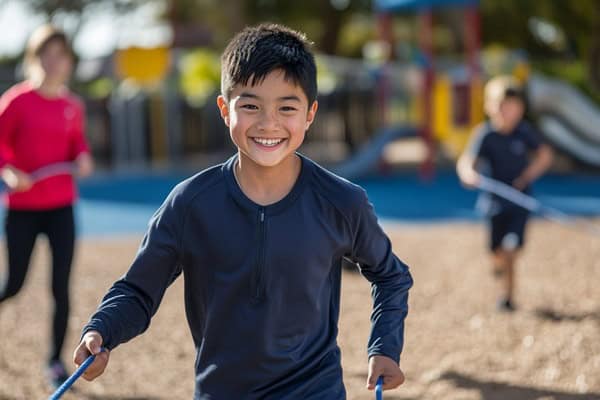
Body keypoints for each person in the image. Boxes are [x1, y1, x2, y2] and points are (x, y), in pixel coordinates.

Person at [74, 23, 413, 398]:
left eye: (287, 107)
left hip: (315, 391)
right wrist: (101, 330)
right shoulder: (190, 204)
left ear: (310, 114)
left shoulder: (340, 201)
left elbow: (390, 275)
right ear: (224, 109)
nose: (268, 123)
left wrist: (384, 346)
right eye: (250, 106)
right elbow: (139, 290)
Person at [0, 24, 94, 387]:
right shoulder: (15, 101)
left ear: (69, 62)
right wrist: (9, 171)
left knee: (61, 286)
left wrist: (84, 157)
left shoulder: (73, 106)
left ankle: (55, 361)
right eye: (47, 54)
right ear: (34, 59)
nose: (54, 62)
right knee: (14, 285)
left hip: (61, 208)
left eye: (61, 54)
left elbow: (77, 145)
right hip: (23, 209)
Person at [457, 75, 553, 311]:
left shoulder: (524, 133)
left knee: (510, 249)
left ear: (520, 109)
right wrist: (468, 173)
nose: (505, 112)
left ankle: (507, 297)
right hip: (494, 204)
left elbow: (545, 155)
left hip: (519, 203)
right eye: (500, 106)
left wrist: (526, 176)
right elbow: (468, 160)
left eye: (510, 107)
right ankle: (498, 262)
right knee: (496, 251)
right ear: (489, 107)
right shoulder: (486, 135)